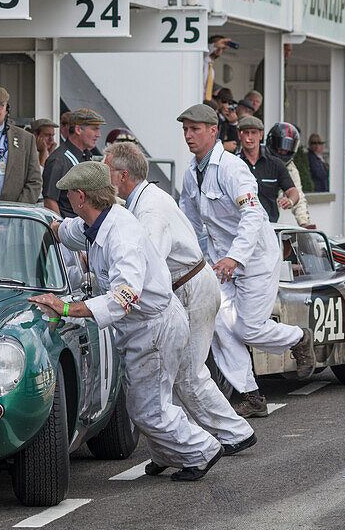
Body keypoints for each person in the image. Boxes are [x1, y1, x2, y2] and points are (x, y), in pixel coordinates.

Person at [29, 162, 224, 482]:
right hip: (142, 326)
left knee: (150, 408)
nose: (66, 200)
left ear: (80, 197)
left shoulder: (122, 236)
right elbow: (66, 231)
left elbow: (123, 298)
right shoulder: (97, 221)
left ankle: (201, 450)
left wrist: (65, 309)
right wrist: (41, 228)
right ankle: (166, 454)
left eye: (68, 195)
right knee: (143, 402)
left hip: (154, 326)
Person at [103, 140, 257, 455]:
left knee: (187, 372)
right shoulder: (140, 200)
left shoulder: (148, 208)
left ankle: (235, 433)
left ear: (121, 175)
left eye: (106, 170)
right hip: (184, 283)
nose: (102, 176)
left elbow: (148, 261)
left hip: (189, 285)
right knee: (174, 373)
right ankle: (173, 448)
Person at [177, 104, 314, 417]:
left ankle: (299, 338)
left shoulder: (232, 169)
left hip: (255, 258)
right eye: (185, 129)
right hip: (220, 262)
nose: (188, 135)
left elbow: (254, 215)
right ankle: (251, 395)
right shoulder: (191, 173)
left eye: (195, 129)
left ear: (214, 131)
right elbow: (190, 222)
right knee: (222, 328)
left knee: (248, 330)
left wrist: (234, 257)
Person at [42, 107, 103, 216]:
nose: (98, 135)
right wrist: (60, 229)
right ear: (78, 129)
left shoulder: (85, 157)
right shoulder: (58, 160)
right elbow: (50, 201)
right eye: (94, 129)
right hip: (69, 228)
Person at [237, 118, 298, 223]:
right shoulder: (233, 163)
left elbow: (293, 191)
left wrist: (290, 201)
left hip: (270, 226)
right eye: (246, 133)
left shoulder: (276, 164)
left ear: (261, 135)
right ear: (239, 135)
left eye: (253, 133)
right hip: (239, 226)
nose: (249, 137)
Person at [264, 121, 317, 228]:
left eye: (287, 148)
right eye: (281, 147)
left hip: (271, 219)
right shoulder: (258, 159)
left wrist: (304, 222)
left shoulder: (290, 167)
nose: (284, 152)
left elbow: (299, 195)